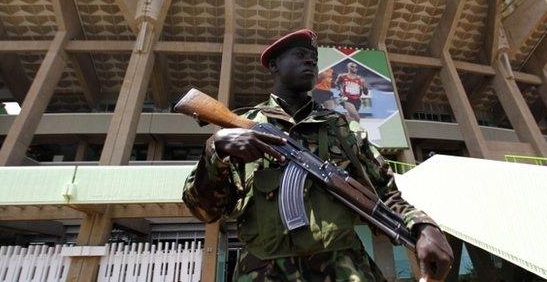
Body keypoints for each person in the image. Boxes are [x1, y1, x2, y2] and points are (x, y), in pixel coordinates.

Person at [182, 29, 453, 281]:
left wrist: (422, 227)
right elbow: (204, 211)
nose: (310, 62)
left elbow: (384, 191)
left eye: (314, 58)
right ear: (273, 65)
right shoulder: (244, 126)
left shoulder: (343, 128)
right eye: (300, 55)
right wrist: (215, 150)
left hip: (344, 269)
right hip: (262, 272)